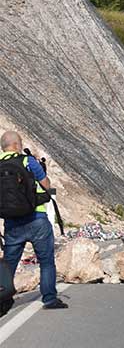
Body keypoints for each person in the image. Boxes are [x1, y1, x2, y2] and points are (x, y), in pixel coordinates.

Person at [0, 131, 67, 309]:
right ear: (15, 145)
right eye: (19, 143)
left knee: (9, 264)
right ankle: (50, 299)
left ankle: (3, 299)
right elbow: (47, 185)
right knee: (46, 261)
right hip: (36, 219)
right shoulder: (28, 162)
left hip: (12, 223)